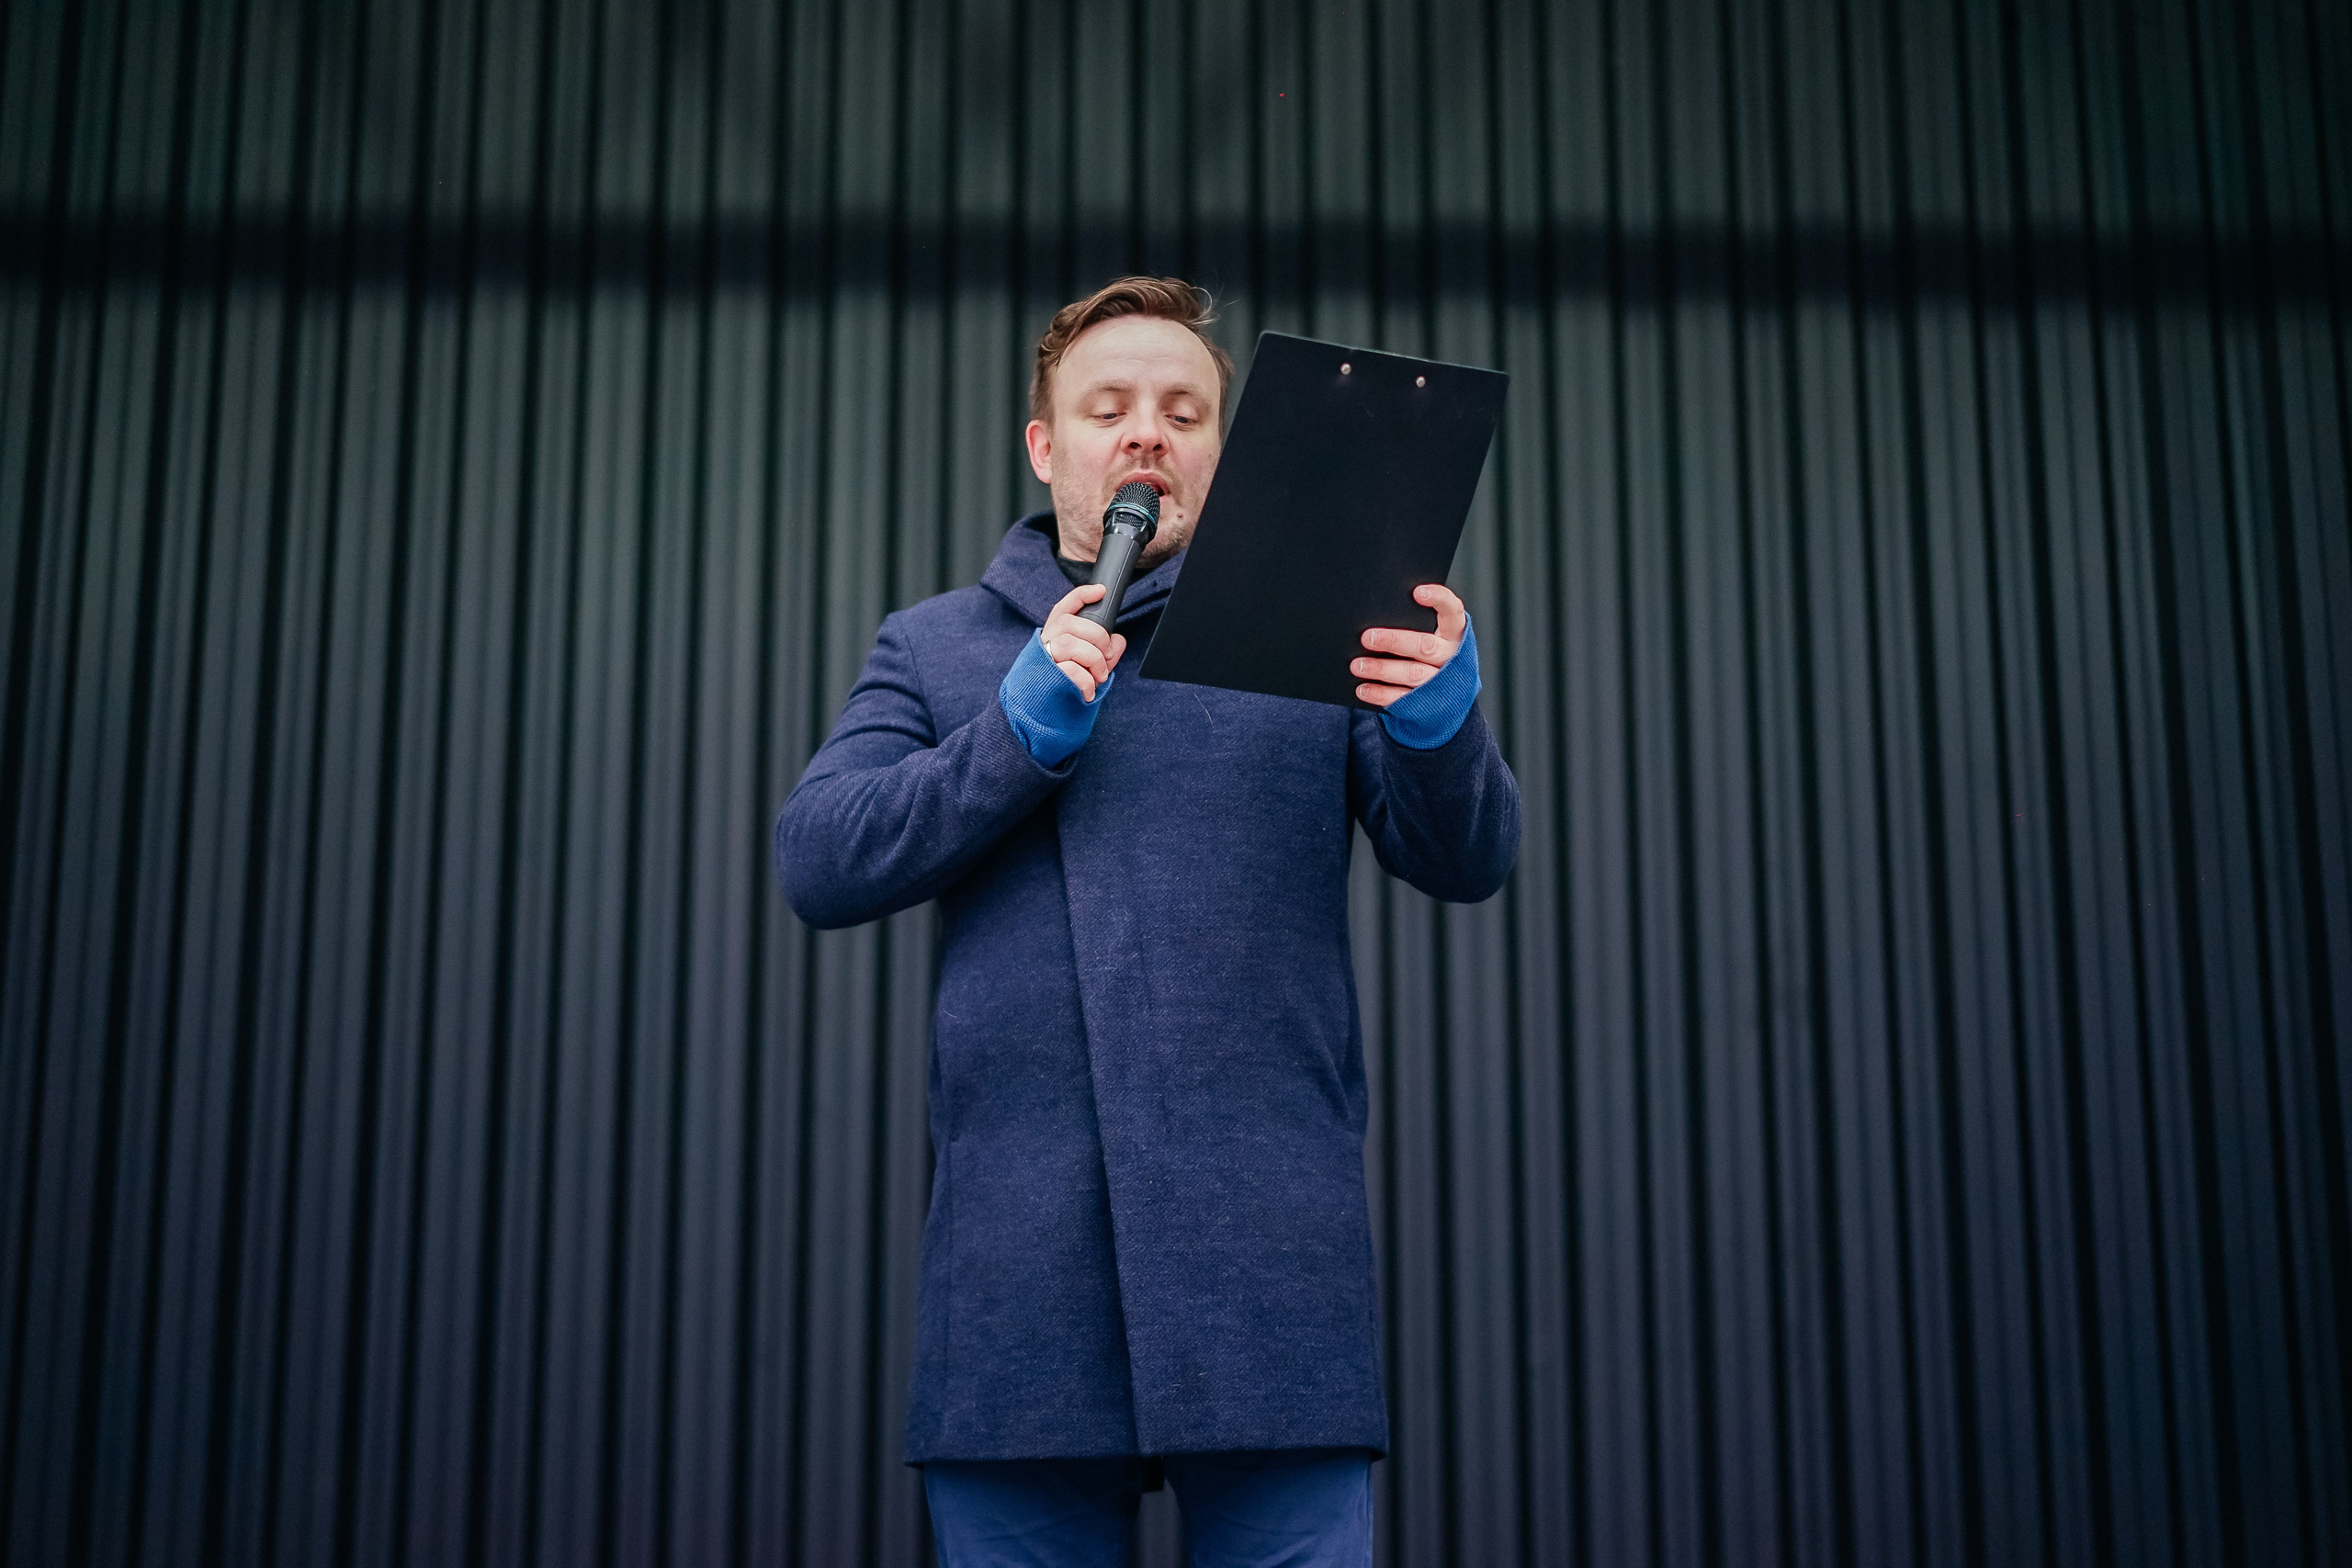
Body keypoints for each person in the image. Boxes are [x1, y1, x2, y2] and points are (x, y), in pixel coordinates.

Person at [775, 277, 1520, 1566]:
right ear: (1045, 446)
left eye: (1184, 412)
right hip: (1021, 1289)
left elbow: (1466, 859)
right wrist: (1008, 739)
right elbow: (819, 860)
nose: (1145, 436)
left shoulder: (1326, 642)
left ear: (1223, 455)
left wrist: (1441, 725)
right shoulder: (937, 649)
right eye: (1107, 408)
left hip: (1269, 1272)